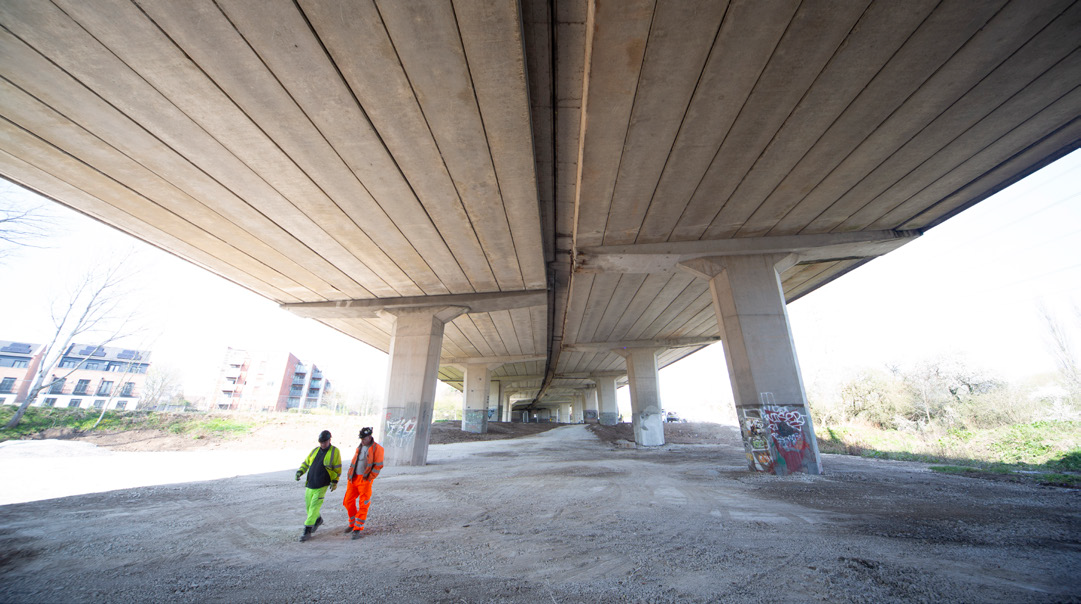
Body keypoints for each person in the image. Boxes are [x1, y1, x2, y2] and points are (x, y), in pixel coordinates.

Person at [295, 430, 342, 542]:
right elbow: (306, 463)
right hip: (311, 483)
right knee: (309, 507)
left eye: (324, 442)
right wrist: (300, 471)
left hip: (322, 484)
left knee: (314, 507)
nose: (322, 444)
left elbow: (337, 468)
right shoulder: (315, 450)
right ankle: (318, 520)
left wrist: (335, 481)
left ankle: (307, 530)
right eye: (321, 442)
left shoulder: (335, 451)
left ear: (329, 440)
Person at [342, 426, 384, 539]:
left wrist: (370, 477)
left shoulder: (377, 448)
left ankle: (357, 528)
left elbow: (378, 466)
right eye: (361, 439)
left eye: (364, 439)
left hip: (365, 480)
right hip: (353, 478)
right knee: (347, 501)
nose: (362, 441)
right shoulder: (360, 447)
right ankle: (352, 523)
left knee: (363, 503)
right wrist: (350, 474)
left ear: (369, 437)